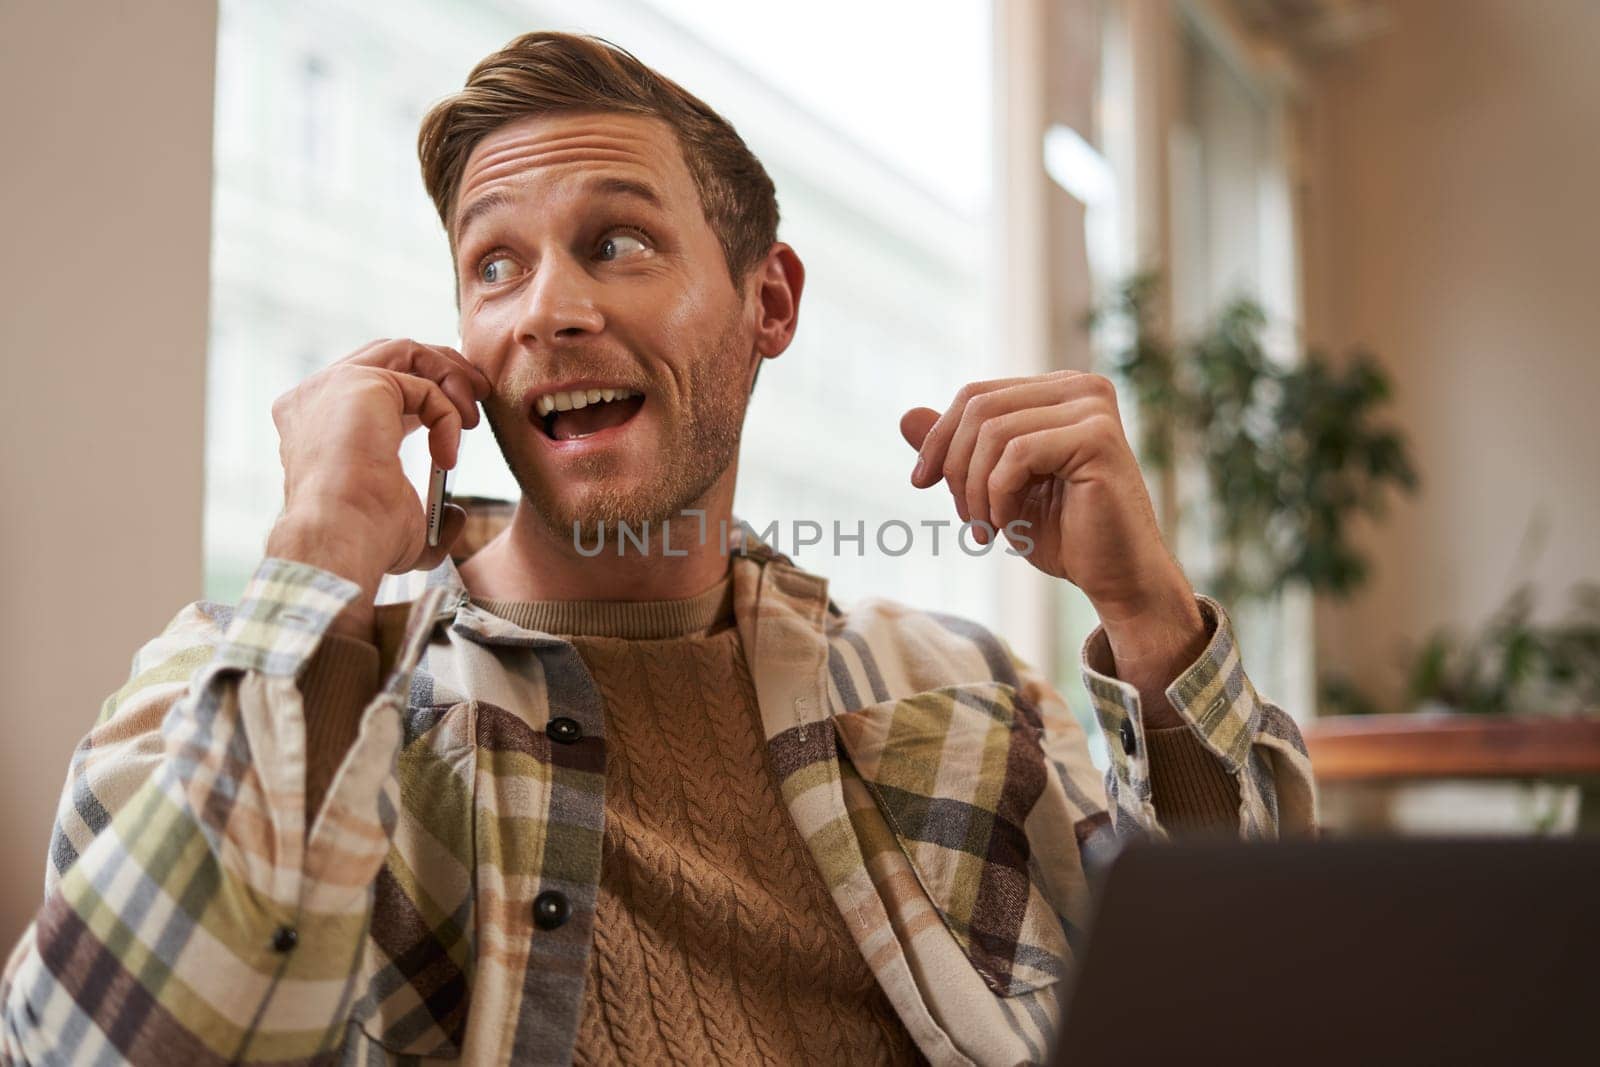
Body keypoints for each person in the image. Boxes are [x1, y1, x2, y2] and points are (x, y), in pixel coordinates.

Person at [0, 30, 1314, 1067]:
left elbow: (1255, 1010)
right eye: (495, 267)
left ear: (770, 301)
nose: (550, 311)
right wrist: (318, 555)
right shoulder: (264, 683)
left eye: (615, 244)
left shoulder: (957, 688)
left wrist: (1151, 620)